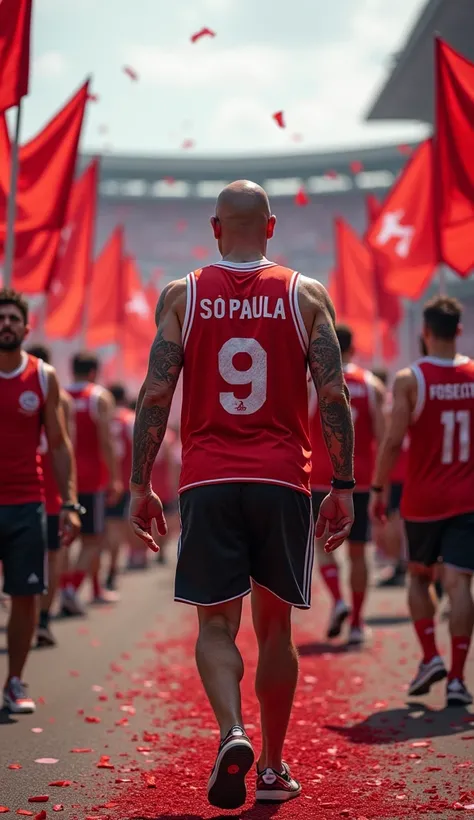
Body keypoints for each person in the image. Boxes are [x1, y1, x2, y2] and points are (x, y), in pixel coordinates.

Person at [129, 180, 355, 809]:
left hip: (208, 479)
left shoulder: (183, 295)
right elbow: (333, 397)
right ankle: (275, 767)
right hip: (284, 479)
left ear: (214, 227)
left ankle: (232, 730)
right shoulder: (305, 294)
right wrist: (343, 485)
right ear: (273, 227)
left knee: (215, 625)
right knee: (275, 630)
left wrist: (140, 484)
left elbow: (154, 394)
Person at [370, 296, 474, 707]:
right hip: (467, 497)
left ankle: (430, 656)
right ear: (459, 331)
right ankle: (456, 678)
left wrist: (378, 490)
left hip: (423, 498)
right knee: (460, 582)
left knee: (418, 577)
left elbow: (394, 441)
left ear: (426, 332)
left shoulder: (410, 380)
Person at [0, 289, 81, 712]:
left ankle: (14, 681)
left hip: (27, 503)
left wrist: (69, 503)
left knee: (26, 596)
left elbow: (60, 445)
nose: (7, 324)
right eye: (1, 318)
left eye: (14, 318)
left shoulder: (43, 377)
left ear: (26, 328)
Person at [310, 324, 385, 644]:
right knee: (358, 553)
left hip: (320, 479)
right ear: (353, 349)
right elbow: (383, 439)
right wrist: (381, 485)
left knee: (322, 548)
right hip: (361, 479)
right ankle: (356, 622)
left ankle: (339, 599)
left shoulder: (313, 384)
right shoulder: (372, 386)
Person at [61, 353, 121, 613]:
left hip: (62, 477)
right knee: (93, 539)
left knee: (64, 540)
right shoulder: (99, 396)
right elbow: (106, 441)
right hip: (92, 479)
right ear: (94, 372)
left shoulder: (59, 394)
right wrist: (116, 477)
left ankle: (72, 587)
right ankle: (71, 590)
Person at [27, 345, 76, 647]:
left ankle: (41, 620)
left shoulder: (64, 401)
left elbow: (63, 445)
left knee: (51, 556)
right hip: (24, 491)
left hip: (49, 491)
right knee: (46, 558)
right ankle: (38, 618)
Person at [105, 383, 135, 589]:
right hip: (123, 481)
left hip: (100, 480)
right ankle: (112, 569)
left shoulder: (103, 416)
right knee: (116, 526)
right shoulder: (130, 419)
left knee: (101, 531)